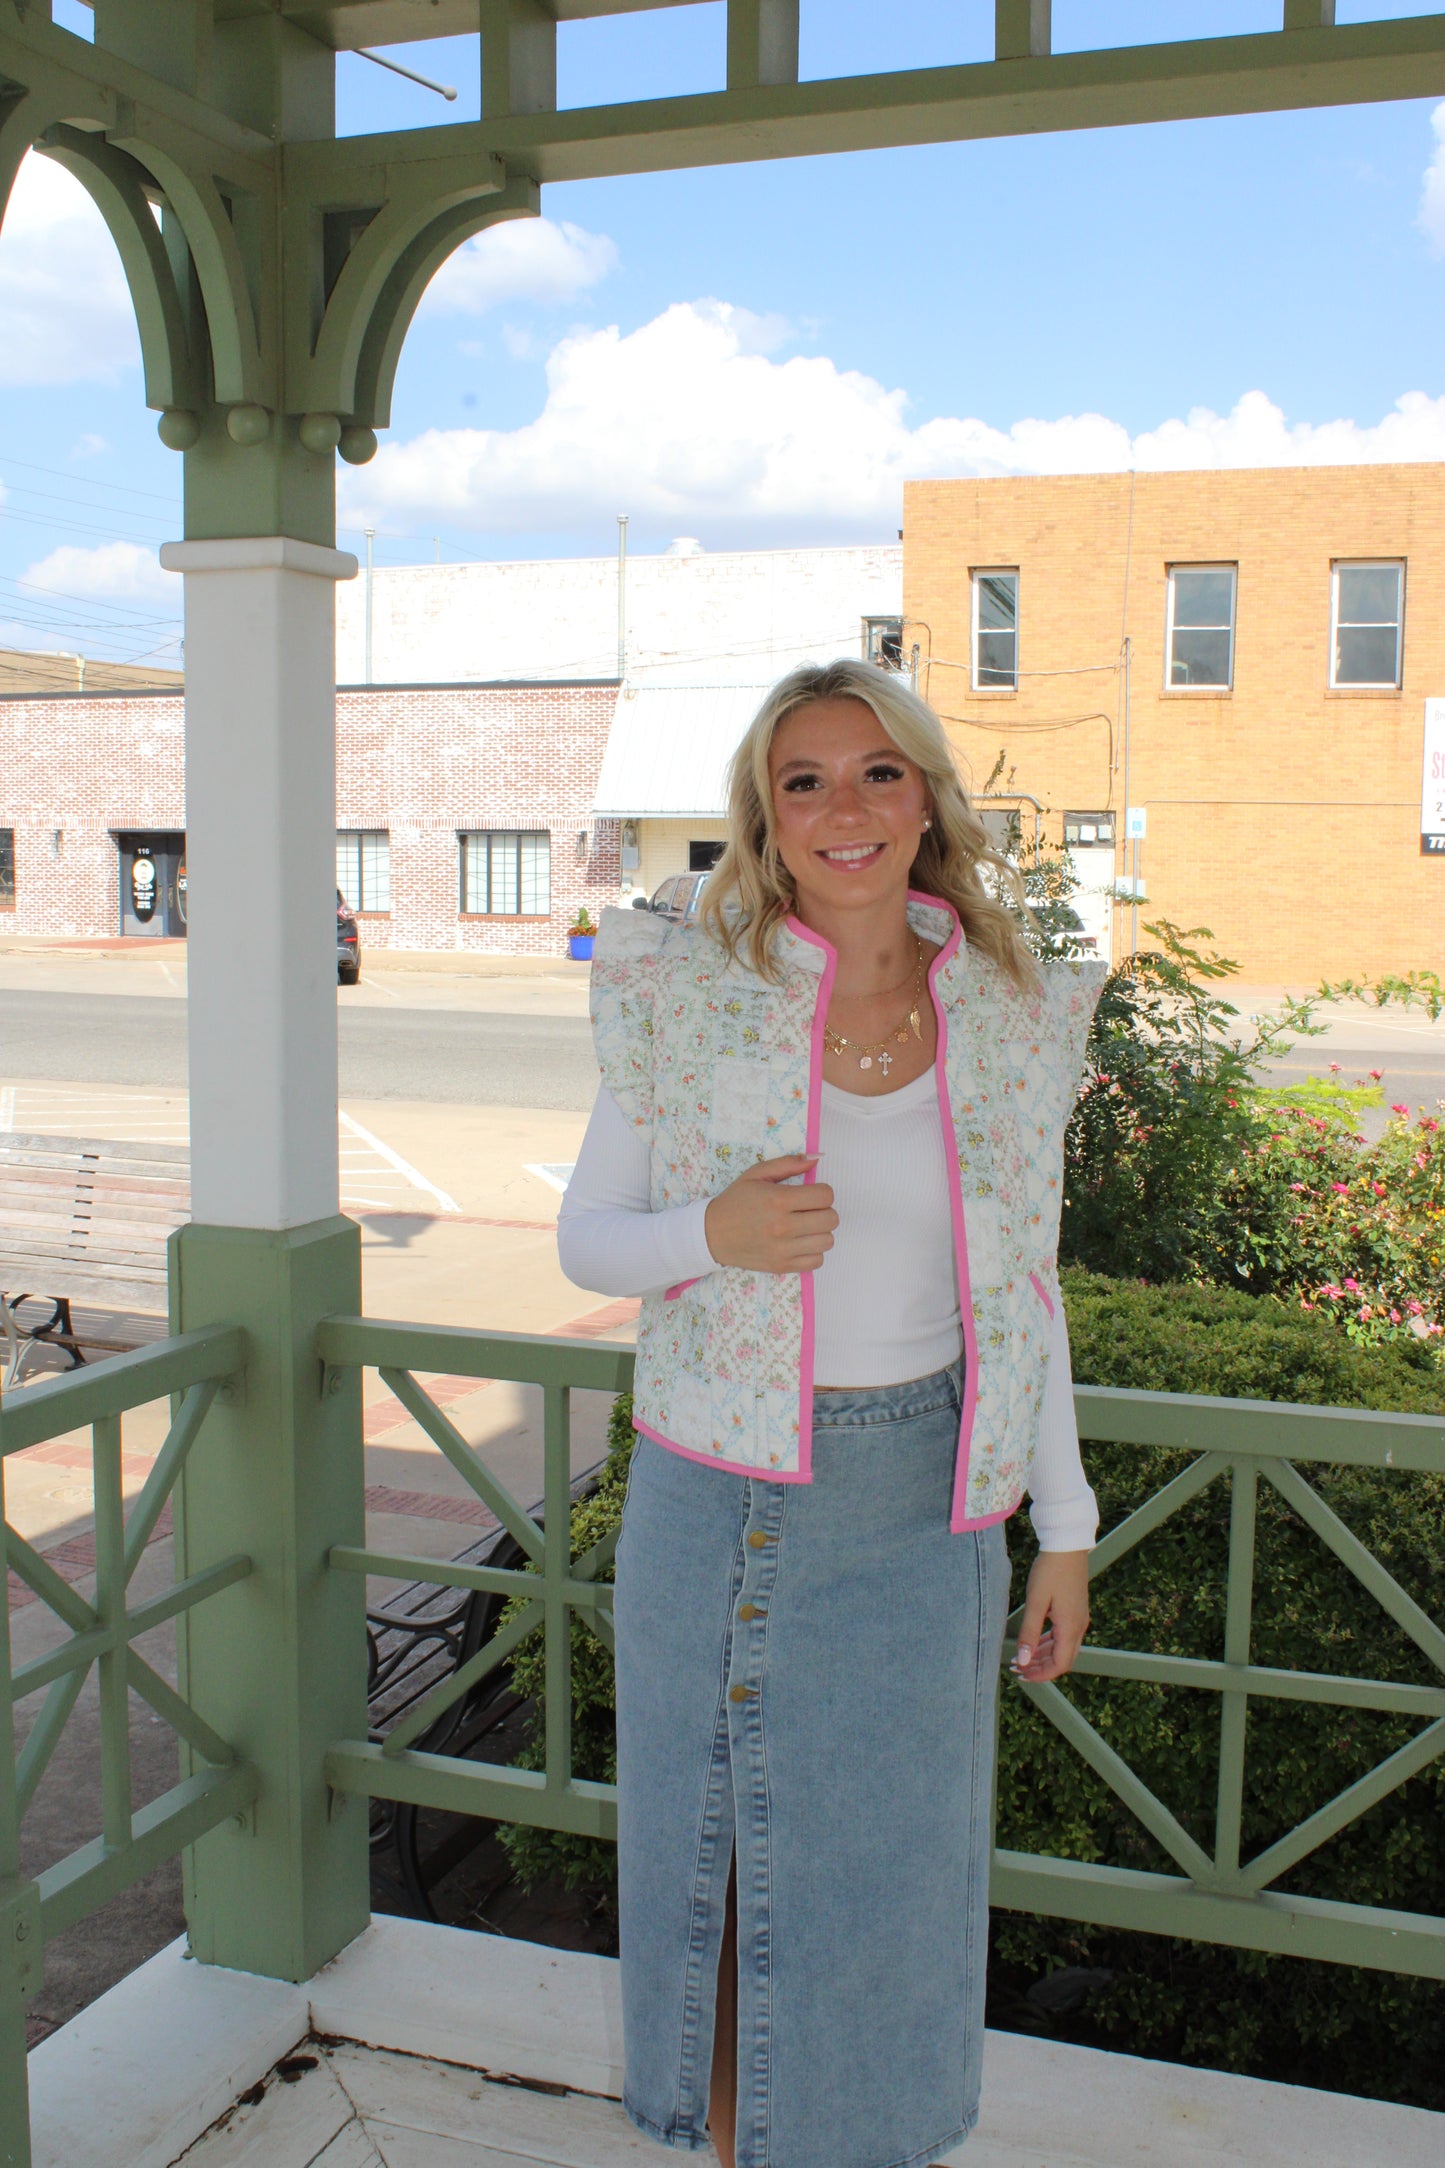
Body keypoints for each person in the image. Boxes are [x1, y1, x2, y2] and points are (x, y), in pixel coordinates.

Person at [558, 658, 1104, 2168]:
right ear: (764, 817)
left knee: (892, 1890)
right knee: (717, 1883)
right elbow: (588, 1234)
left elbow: (1026, 1293)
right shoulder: (683, 994)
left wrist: (1061, 1527)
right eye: (804, 780)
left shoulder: (1006, 1012)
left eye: (876, 771)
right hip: (715, 1500)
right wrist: (705, 1238)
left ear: (923, 795)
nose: (843, 807)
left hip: (925, 1509)